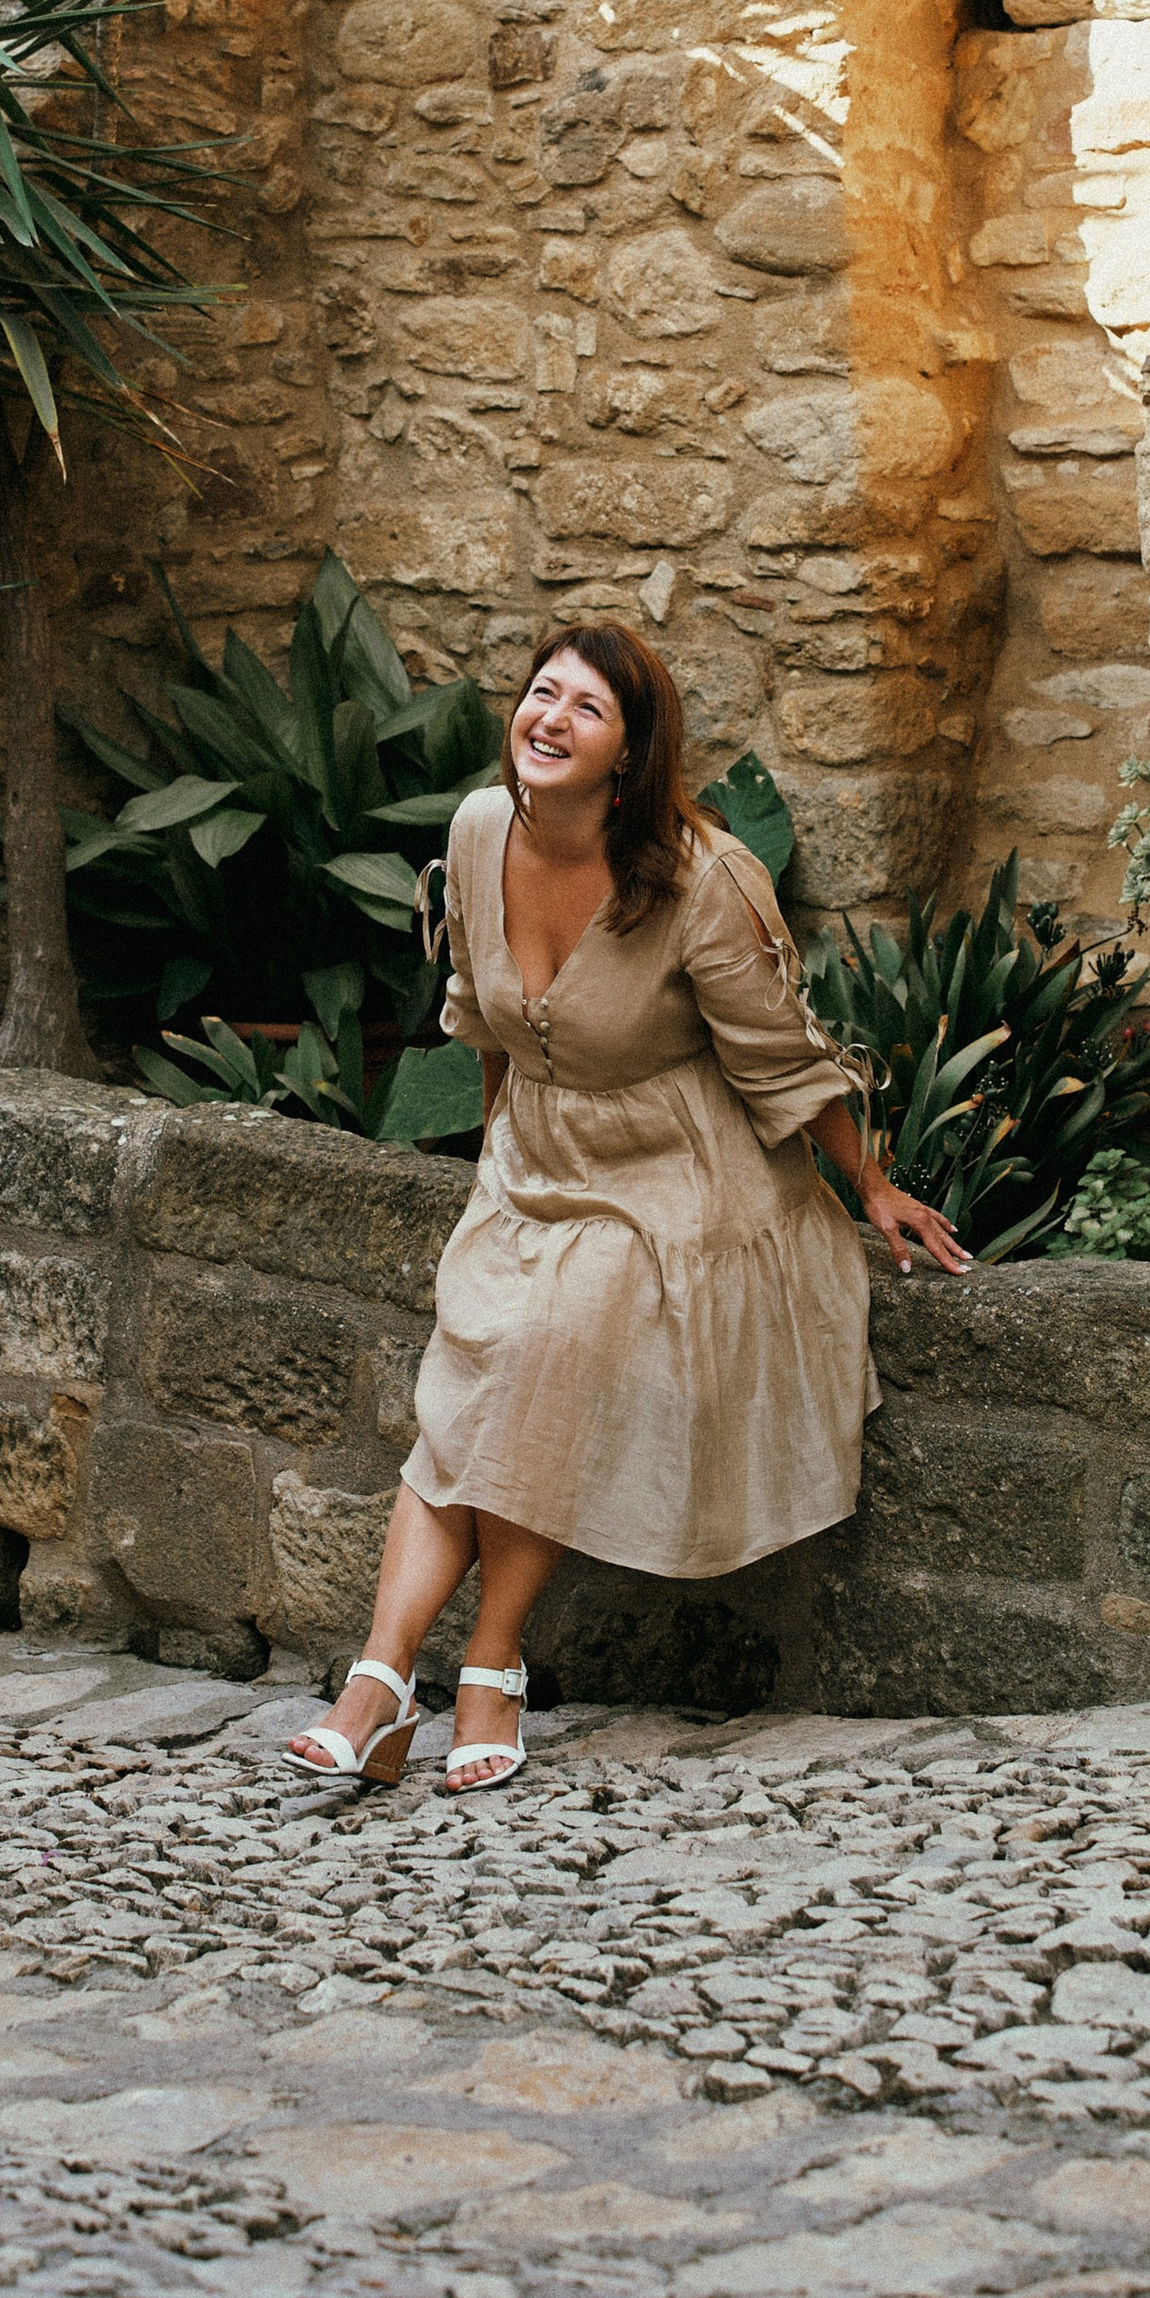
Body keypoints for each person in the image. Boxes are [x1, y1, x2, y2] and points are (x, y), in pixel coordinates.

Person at [284, 621, 968, 1799]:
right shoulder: (477, 829)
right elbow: (483, 1016)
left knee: (547, 1346)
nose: (547, 719)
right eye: (540, 694)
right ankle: (385, 1682)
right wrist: (498, 1167)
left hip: (681, 1173)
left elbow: (784, 1061)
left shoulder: (702, 883)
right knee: (467, 1379)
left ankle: (486, 1664)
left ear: (628, 753)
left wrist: (867, 1182)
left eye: (584, 709)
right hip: (539, 1156)